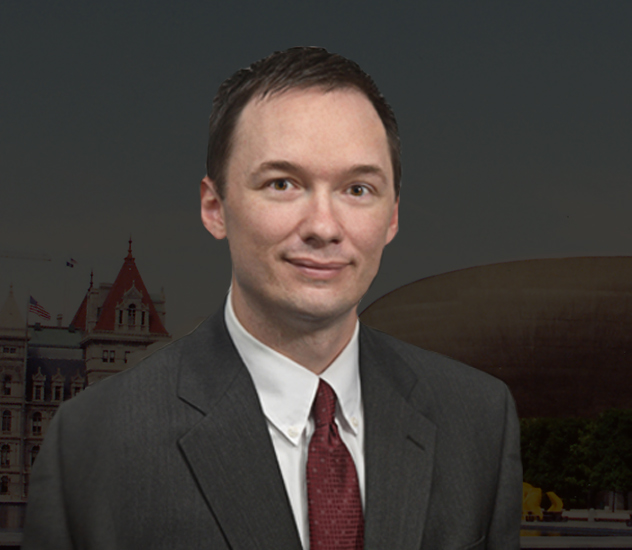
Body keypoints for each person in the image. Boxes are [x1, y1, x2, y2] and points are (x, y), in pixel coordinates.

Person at [24, 47, 521, 550]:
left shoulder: (479, 419)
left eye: (358, 189)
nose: (324, 227)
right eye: (283, 184)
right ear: (214, 208)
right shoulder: (92, 442)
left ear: (392, 216)